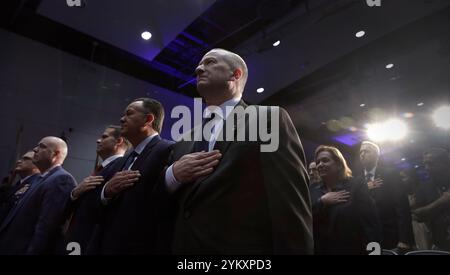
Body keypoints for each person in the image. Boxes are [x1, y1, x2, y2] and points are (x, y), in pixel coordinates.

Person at [165, 48, 313, 254]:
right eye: (199, 65)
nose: (198, 69)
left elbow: (289, 203)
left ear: (235, 74)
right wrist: (172, 175)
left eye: (210, 63)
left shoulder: (267, 118)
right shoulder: (183, 140)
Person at [93, 98, 174, 254]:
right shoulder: (122, 160)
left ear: (148, 119)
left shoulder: (168, 150)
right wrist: (106, 192)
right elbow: (98, 206)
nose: (122, 119)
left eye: (129, 113)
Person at [0, 136, 76, 254]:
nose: (35, 149)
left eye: (42, 147)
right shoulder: (39, 179)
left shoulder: (61, 179)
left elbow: (46, 228)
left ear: (55, 154)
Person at [62, 125, 129, 254]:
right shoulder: (102, 169)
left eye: (104, 137)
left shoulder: (121, 167)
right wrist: (75, 193)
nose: (98, 140)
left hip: (90, 243)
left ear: (119, 141)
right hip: (77, 239)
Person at [310, 145, 381, 255]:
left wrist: (374, 253)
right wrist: (322, 202)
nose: (320, 164)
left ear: (338, 164)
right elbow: (306, 220)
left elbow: (371, 225)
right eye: (318, 162)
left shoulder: (356, 186)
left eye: (325, 160)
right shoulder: (312, 190)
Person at [358, 141, 414, 252]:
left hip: (390, 235)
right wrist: (365, 188)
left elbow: (402, 207)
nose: (362, 154)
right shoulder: (357, 180)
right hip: (366, 237)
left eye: (366, 151)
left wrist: (405, 239)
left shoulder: (390, 174)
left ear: (376, 155)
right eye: (361, 152)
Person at [413, 148, 450, 251]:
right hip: (441, 245)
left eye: (431, 164)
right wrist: (440, 202)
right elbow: (417, 215)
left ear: (446, 164)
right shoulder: (424, 187)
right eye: (425, 164)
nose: (427, 168)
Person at [0, 151, 40, 223]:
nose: (19, 161)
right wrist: (11, 178)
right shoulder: (20, 183)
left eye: (26, 158)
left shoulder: (35, 185)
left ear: (37, 164)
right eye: (21, 158)